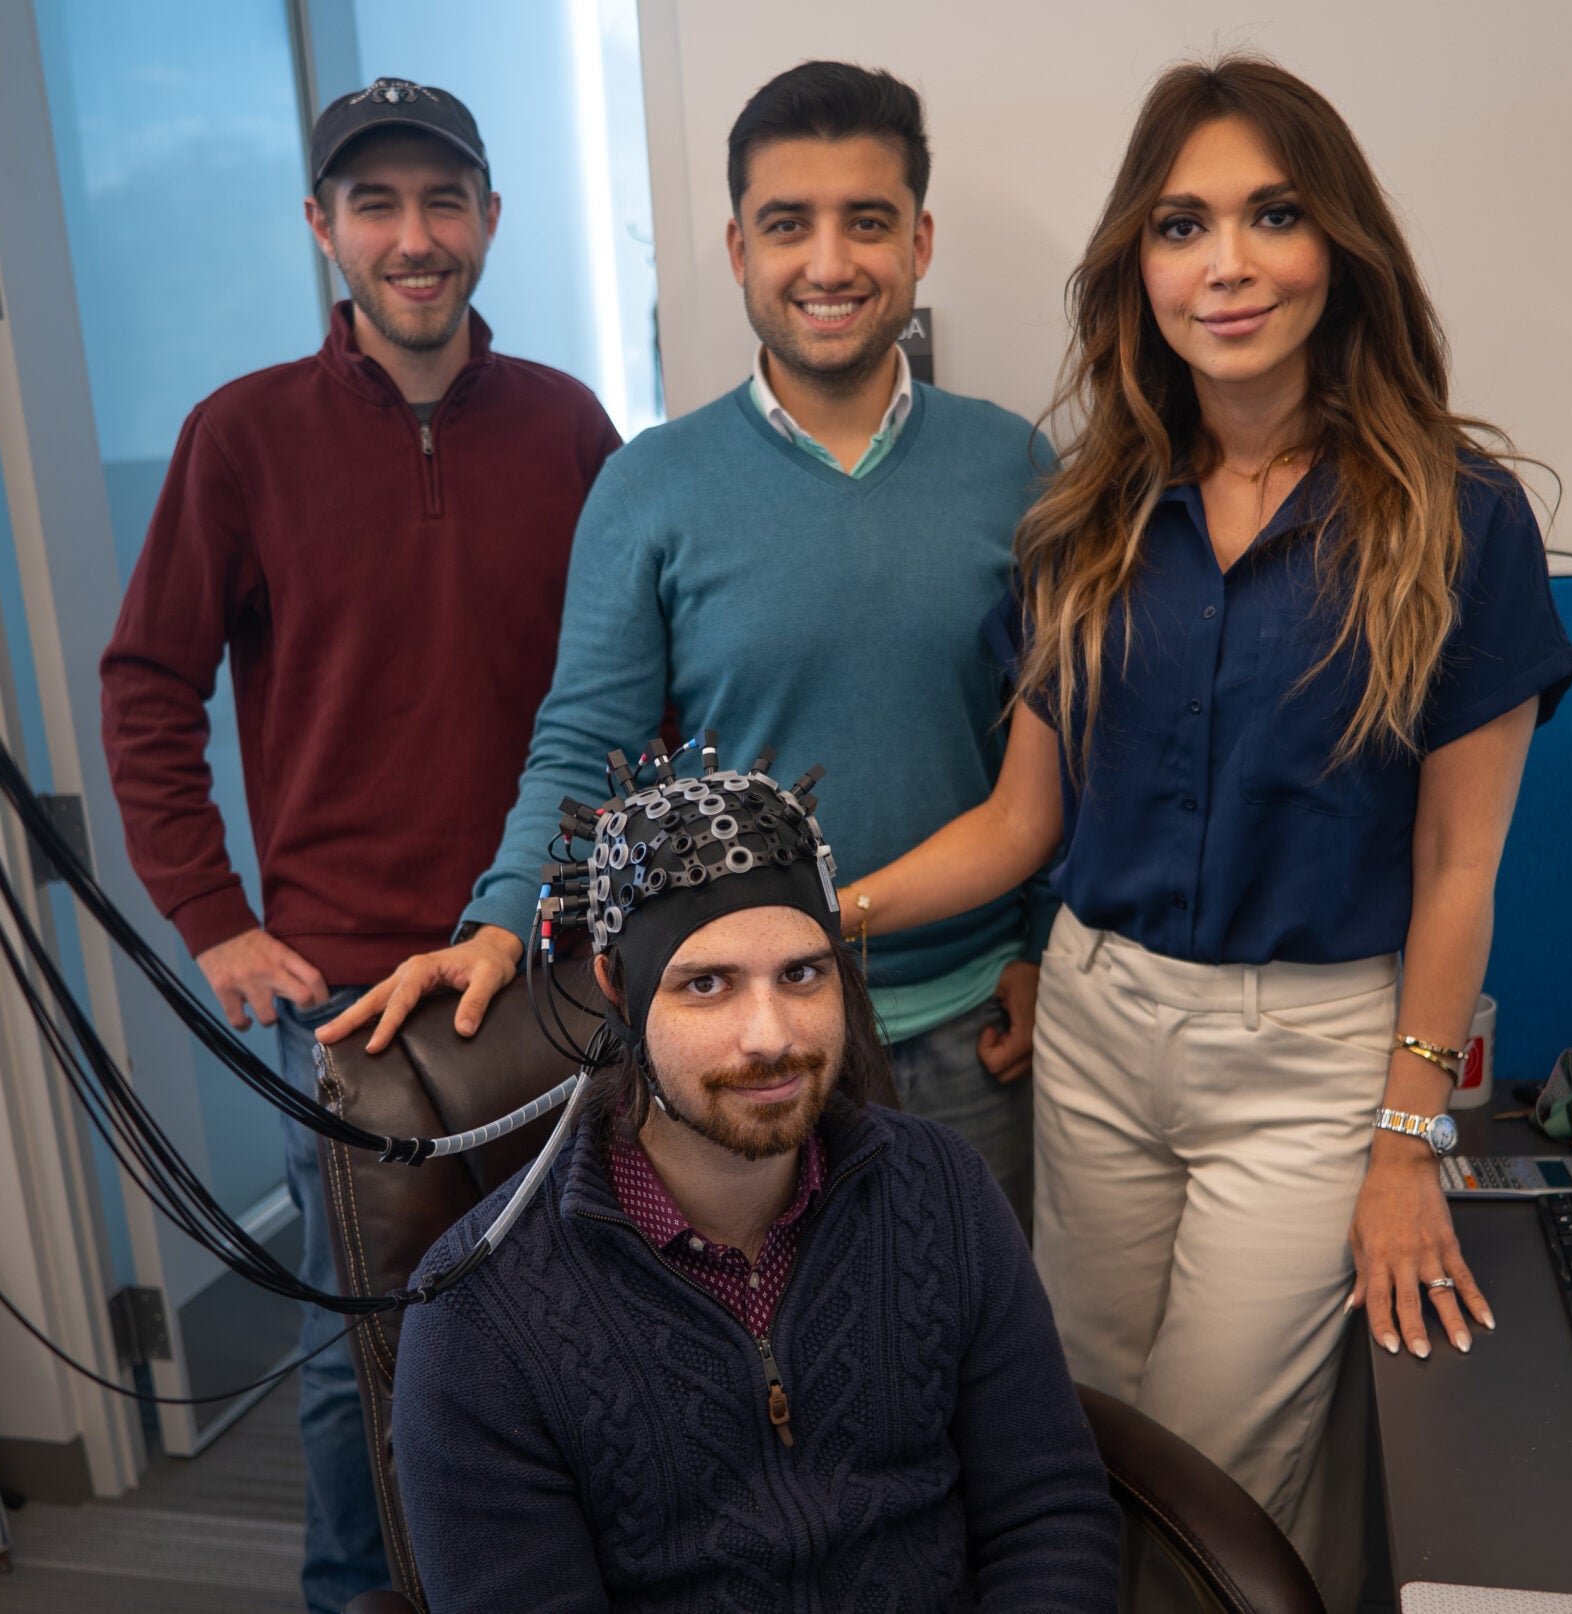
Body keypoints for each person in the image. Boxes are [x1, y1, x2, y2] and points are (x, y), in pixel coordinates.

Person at [834, 56, 1572, 1607]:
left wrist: (1407, 1137)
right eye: (1182, 225)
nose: (1227, 262)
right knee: (1076, 1437)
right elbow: (1020, 821)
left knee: (1221, 1465)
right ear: (1138, 267)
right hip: (1101, 1027)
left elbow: (1458, 870)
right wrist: (814, 918)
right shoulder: (1089, 516)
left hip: (1313, 1059)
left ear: (1342, 249)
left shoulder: (1457, 517)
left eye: (1272, 215)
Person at [323, 62, 1052, 1228]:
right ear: (734, 250)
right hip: (741, 1042)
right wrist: (499, 922)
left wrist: (1040, 945)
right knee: (766, 1386)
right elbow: (580, 745)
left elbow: (1054, 751)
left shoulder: (1014, 468)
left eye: (865, 222)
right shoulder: (650, 484)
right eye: (786, 226)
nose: (826, 264)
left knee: (965, 1372)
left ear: (918, 240)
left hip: (975, 1033)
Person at [97, 77, 619, 1614]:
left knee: (581, 1313)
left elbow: (617, 690)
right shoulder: (240, 437)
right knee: (363, 1356)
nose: (415, 237)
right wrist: (210, 911)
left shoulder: (570, 429)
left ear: (489, 223)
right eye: (377, 206)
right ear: (324, 229)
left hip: (542, 963)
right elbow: (146, 683)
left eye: (443, 202)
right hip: (343, 995)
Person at [390, 751, 1119, 1612]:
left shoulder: (941, 1189)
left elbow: (1048, 1515)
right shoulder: (481, 1315)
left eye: (801, 974)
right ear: (618, 992)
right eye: (706, 985)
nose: (770, 1038)